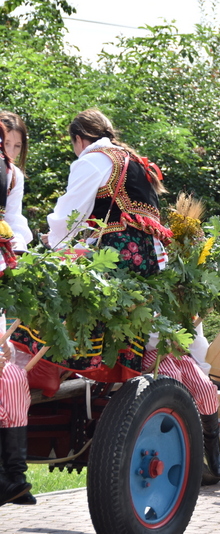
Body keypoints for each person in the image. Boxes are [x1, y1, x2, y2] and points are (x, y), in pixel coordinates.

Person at [44, 108, 220, 478]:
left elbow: (70, 214)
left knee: (74, 309)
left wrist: (52, 245)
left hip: (121, 261)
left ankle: (68, 368)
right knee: (153, 337)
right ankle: (213, 451)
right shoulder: (133, 160)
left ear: (80, 138)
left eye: (73, 144)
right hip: (148, 264)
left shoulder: (93, 159)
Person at [0, 126, 34, 507]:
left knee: (12, 375)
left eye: (14, 147)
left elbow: (14, 221)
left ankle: (15, 476)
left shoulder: (12, 176)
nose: (9, 153)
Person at [0, 112, 33, 251]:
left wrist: (17, 241)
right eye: (7, 143)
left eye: (17, 146)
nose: (11, 152)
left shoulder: (14, 175)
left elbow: (12, 216)